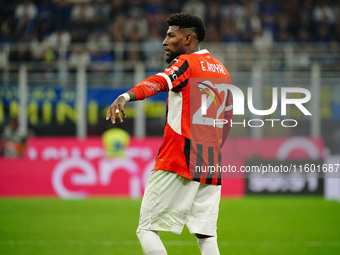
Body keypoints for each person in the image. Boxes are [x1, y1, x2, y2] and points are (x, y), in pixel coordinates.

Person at [106, 13, 232, 255]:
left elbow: (159, 82)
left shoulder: (187, 63)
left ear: (188, 38)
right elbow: (226, 122)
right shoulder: (222, 71)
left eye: (170, 35)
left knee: (146, 228)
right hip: (211, 163)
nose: (164, 41)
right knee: (207, 235)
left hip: (179, 158)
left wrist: (125, 96)